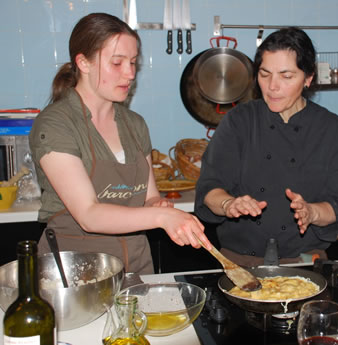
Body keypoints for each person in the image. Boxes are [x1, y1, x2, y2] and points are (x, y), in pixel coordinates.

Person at [29, 13, 211, 275]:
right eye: (117, 63)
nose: (130, 73)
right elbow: (89, 215)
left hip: (136, 266)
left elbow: (149, 197)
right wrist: (161, 217)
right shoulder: (56, 125)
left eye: (134, 62)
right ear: (83, 62)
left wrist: (156, 206)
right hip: (75, 273)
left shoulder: (134, 124)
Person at [194, 27, 338, 267]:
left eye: (286, 76)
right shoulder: (239, 121)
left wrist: (312, 212)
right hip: (240, 263)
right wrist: (229, 204)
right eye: (265, 73)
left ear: (308, 78)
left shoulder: (331, 129)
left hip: (305, 262)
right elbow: (210, 188)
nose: (272, 86)